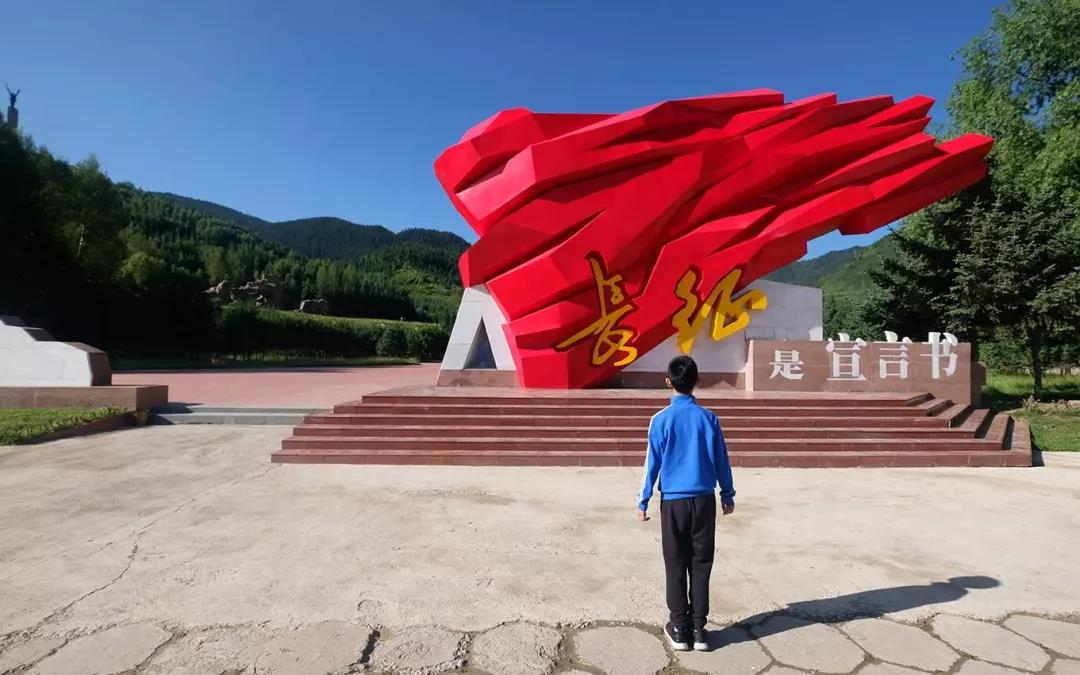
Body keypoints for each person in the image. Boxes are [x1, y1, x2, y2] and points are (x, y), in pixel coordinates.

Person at [637, 355, 735, 652]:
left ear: (668, 382)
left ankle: (680, 628)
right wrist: (727, 494)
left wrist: (643, 500)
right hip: (704, 501)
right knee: (701, 564)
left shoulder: (660, 420)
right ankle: (699, 630)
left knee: (676, 563)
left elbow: (651, 464)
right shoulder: (709, 419)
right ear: (697, 381)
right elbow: (721, 459)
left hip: (673, 504)